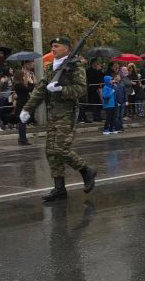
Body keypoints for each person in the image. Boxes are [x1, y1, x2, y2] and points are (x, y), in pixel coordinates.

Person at [21, 36, 97, 202]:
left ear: (67, 48)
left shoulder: (75, 66)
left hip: (67, 113)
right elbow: (40, 89)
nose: (53, 49)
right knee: (51, 151)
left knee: (60, 149)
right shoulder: (52, 67)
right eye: (52, 46)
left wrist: (61, 89)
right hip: (53, 114)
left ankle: (86, 170)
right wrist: (28, 108)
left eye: (56, 46)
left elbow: (81, 90)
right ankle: (59, 188)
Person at [12, 68, 35, 145]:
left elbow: (29, 88)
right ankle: (23, 139)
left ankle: (22, 138)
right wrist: (31, 82)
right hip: (21, 105)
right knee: (22, 122)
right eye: (23, 75)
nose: (24, 77)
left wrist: (29, 81)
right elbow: (29, 89)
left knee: (23, 122)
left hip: (23, 104)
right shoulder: (18, 84)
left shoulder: (20, 84)